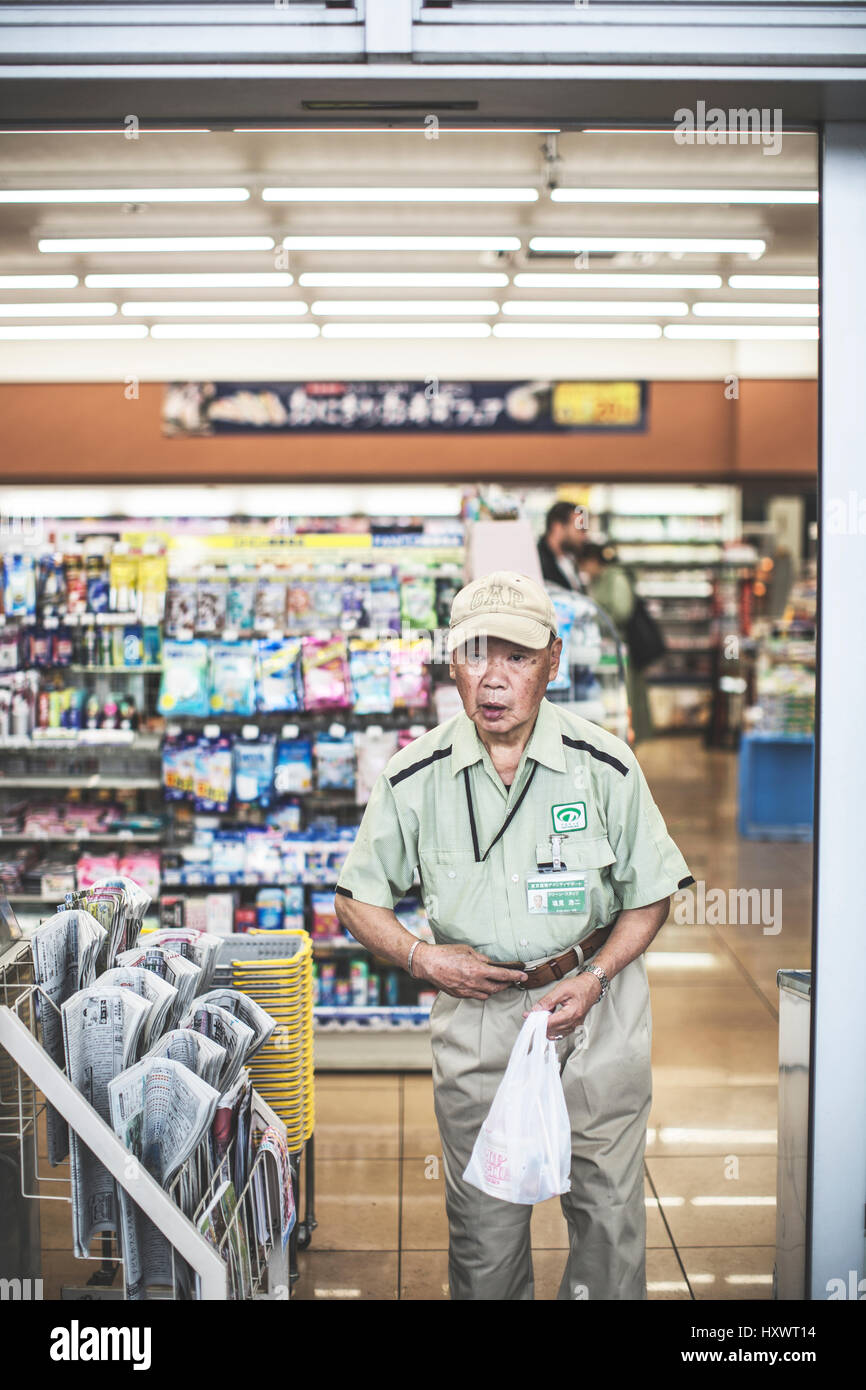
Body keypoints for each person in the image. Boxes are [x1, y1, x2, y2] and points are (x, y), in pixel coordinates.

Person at [334, 570, 693, 1301]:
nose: (492, 680)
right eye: (474, 655)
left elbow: (651, 893)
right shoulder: (415, 776)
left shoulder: (605, 766)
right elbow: (355, 899)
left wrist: (593, 979)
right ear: (451, 663)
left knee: (609, 1217)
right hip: (478, 1021)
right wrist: (423, 956)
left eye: (518, 658)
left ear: (552, 662)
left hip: (597, 1009)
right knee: (484, 1226)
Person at [580, 541, 654, 745]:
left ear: (593, 561)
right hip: (610, 648)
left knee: (627, 700)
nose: (583, 570)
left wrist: (593, 617)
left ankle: (629, 746)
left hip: (624, 650)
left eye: (584, 564)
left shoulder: (615, 578)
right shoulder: (599, 580)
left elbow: (622, 612)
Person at [537, 500, 585, 592]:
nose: (584, 536)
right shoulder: (538, 562)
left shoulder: (570, 560)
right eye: (580, 529)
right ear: (557, 527)